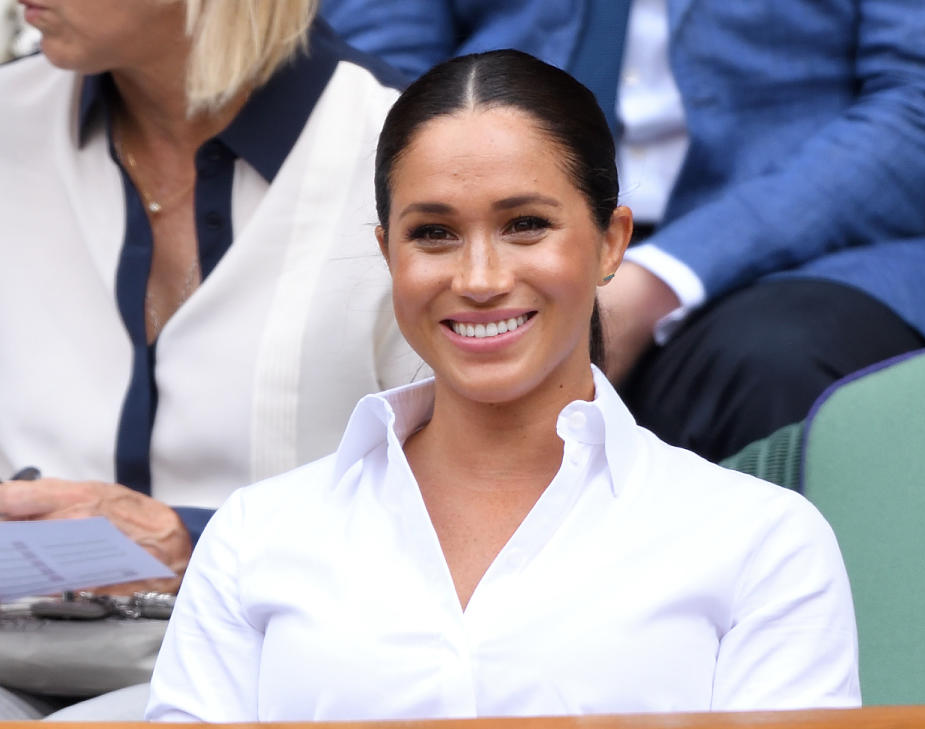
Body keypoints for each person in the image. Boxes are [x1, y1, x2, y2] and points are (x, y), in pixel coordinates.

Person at [146, 51, 860, 722]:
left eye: (525, 225)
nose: (480, 279)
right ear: (387, 252)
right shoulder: (255, 536)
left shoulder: (760, 541)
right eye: (433, 233)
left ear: (611, 241)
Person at [0, 0, 421, 717]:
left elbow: (485, 511)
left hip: (289, 672)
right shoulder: (11, 120)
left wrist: (196, 540)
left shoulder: (406, 160)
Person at [323, 0, 925, 462]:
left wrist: (660, 277)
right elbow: (377, 78)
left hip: (811, 245)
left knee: (768, 357)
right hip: (490, 210)